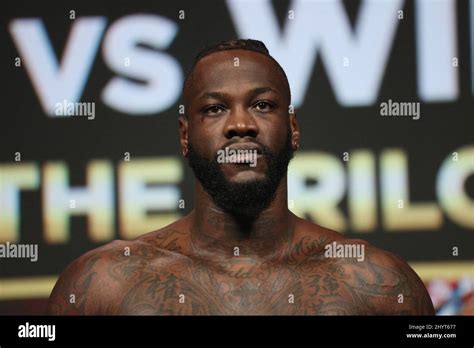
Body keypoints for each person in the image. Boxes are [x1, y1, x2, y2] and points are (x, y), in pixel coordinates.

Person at [47, 39, 434, 315]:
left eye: (262, 105)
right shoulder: (103, 286)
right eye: (215, 109)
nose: (241, 124)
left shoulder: (377, 285)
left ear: (293, 128)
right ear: (185, 134)